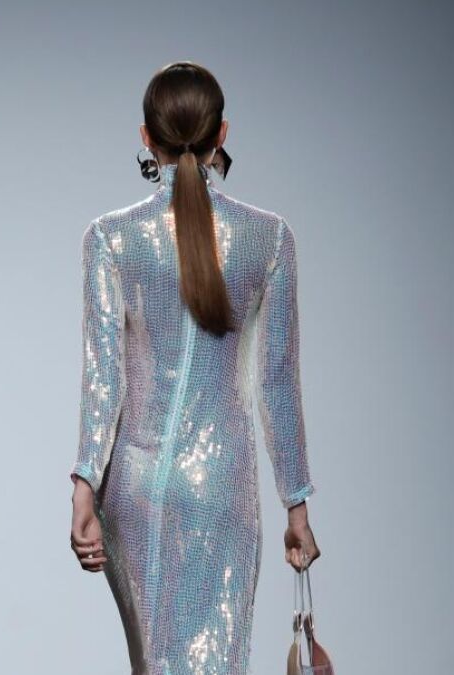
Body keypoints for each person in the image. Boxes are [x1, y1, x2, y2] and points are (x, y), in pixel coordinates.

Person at [68, 61, 322, 674]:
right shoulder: (269, 239)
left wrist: (84, 485)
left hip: (134, 487)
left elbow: (105, 379)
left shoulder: (111, 238)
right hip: (219, 487)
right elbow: (277, 382)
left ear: (146, 138)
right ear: (222, 135)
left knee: (154, 665)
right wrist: (296, 505)